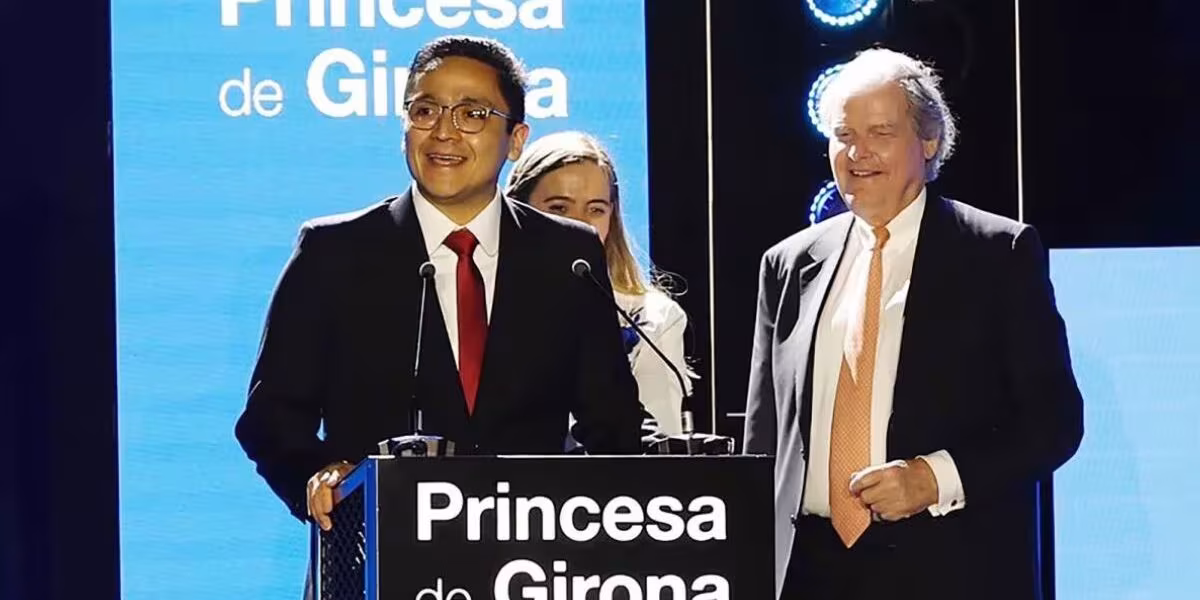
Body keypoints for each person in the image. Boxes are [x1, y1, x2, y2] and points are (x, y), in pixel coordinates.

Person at [234, 35, 644, 540]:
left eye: (472, 114)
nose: (444, 132)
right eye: (425, 111)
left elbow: (612, 426)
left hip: (530, 556)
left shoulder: (567, 256)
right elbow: (270, 419)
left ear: (516, 139)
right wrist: (319, 476)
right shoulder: (334, 252)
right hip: (376, 552)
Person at [741, 48, 1084, 600]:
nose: (857, 153)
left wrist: (932, 478)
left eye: (879, 132)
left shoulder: (997, 253)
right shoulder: (788, 264)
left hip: (948, 568)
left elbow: (1054, 421)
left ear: (929, 141)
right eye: (843, 135)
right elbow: (764, 438)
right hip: (806, 573)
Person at [505, 131, 695, 434]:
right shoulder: (477, 298)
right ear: (517, 208)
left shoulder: (654, 319)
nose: (578, 225)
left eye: (596, 210)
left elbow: (659, 441)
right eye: (559, 208)